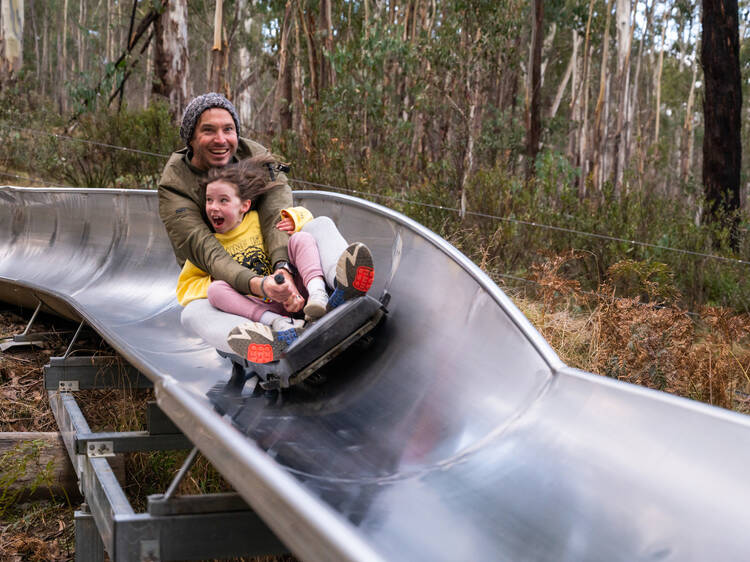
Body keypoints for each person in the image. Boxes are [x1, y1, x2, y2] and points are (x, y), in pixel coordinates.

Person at [175, 154, 375, 364]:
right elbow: (185, 287)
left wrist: (293, 218)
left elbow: (303, 215)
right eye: (209, 200)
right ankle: (276, 329)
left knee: (302, 237)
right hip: (261, 306)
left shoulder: (258, 220)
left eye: (223, 200)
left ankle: (328, 292)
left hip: (299, 289)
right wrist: (225, 280)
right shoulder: (208, 244)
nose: (213, 207)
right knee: (215, 291)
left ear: (244, 206)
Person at [158, 92, 296, 308]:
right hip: (221, 279)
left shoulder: (255, 155)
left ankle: (334, 287)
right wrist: (257, 284)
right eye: (208, 130)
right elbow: (206, 251)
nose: (221, 139)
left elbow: (276, 212)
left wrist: (282, 266)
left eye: (228, 129)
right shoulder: (174, 185)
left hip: (270, 262)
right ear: (191, 139)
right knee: (195, 311)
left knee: (316, 227)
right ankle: (259, 331)